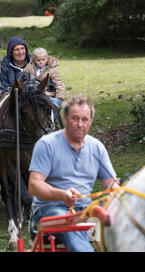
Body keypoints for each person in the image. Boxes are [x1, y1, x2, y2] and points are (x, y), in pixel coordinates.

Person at [28, 94, 120, 252]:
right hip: (49, 210)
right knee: (74, 222)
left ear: (90, 122)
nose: (80, 124)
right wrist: (62, 195)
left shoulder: (96, 147)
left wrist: (116, 190)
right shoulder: (47, 144)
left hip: (86, 210)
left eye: (85, 120)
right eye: (75, 118)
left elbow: (110, 184)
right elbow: (34, 185)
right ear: (64, 118)